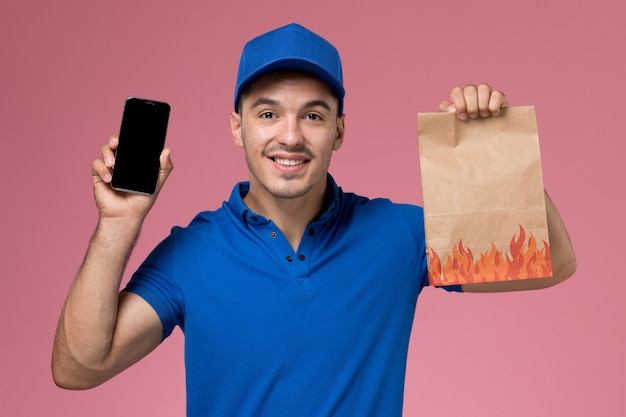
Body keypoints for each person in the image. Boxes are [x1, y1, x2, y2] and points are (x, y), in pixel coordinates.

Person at [52, 23, 576, 416]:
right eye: (267, 113)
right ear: (238, 128)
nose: (291, 136)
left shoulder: (399, 235)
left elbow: (548, 263)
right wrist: (117, 226)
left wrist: (496, 149)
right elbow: (78, 369)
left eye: (313, 115)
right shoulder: (191, 253)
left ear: (339, 130)